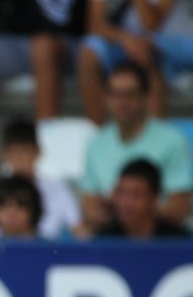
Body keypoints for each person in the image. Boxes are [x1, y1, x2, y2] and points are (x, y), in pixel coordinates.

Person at [80, 62, 192, 232]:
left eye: (130, 94)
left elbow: (179, 209)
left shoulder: (173, 141)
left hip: (161, 238)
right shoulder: (96, 144)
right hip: (114, 236)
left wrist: (127, 209)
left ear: (145, 97)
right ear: (106, 98)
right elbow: (89, 209)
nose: (122, 102)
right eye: (115, 94)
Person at [0, 118, 79, 240]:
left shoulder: (59, 189)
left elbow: (77, 228)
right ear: (4, 155)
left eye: (26, 151)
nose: (20, 159)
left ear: (38, 151)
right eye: (14, 152)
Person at [97, 158, 190, 239]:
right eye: (122, 193)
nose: (127, 202)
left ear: (154, 197)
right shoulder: (104, 238)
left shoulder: (177, 239)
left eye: (136, 194)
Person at [0, 174, 43, 239]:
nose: (12, 213)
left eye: (20, 205)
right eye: (3, 206)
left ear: (33, 209)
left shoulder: (50, 248)